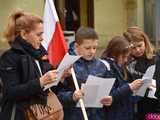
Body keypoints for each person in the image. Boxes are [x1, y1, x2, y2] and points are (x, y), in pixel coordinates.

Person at [0, 9, 67, 120]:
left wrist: (61, 76)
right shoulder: (9, 57)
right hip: (19, 115)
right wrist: (40, 82)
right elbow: (11, 92)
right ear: (24, 34)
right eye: (38, 34)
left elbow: (49, 88)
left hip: (43, 114)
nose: (42, 38)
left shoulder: (40, 54)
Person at [57, 27, 113, 120]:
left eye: (95, 47)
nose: (92, 51)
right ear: (76, 46)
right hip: (74, 115)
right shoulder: (68, 64)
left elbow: (109, 90)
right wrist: (72, 96)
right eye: (87, 48)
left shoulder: (101, 65)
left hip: (97, 116)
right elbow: (56, 94)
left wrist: (110, 98)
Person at [101, 36, 142, 120]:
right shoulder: (106, 68)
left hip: (126, 114)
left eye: (127, 57)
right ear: (115, 53)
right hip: (113, 115)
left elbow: (127, 97)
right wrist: (130, 87)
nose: (126, 60)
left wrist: (142, 89)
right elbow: (109, 97)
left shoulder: (122, 68)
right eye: (124, 57)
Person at [123, 26, 159, 120]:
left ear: (145, 42)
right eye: (133, 48)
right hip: (139, 108)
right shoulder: (127, 62)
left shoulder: (156, 57)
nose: (138, 50)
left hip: (156, 105)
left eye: (140, 45)